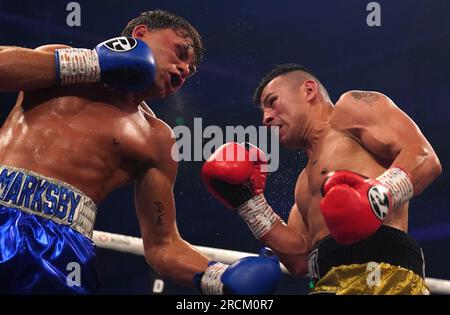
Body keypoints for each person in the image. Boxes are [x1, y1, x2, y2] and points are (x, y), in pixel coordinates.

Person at [0, 10, 282, 294]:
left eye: (190, 69)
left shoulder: (156, 139)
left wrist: (218, 278)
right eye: (180, 52)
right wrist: (92, 63)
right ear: (139, 35)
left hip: (60, 249)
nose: (184, 69)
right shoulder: (62, 61)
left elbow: (163, 245)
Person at [202, 63, 442, 295]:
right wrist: (250, 205)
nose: (266, 118)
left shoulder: (350, 109)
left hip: (382, 276)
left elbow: (424, 157)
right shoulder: (303, 182)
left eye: (272, 102)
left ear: (308, 90)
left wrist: (376, 197)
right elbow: (299, 260)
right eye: (264, 111)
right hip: (326, 283)